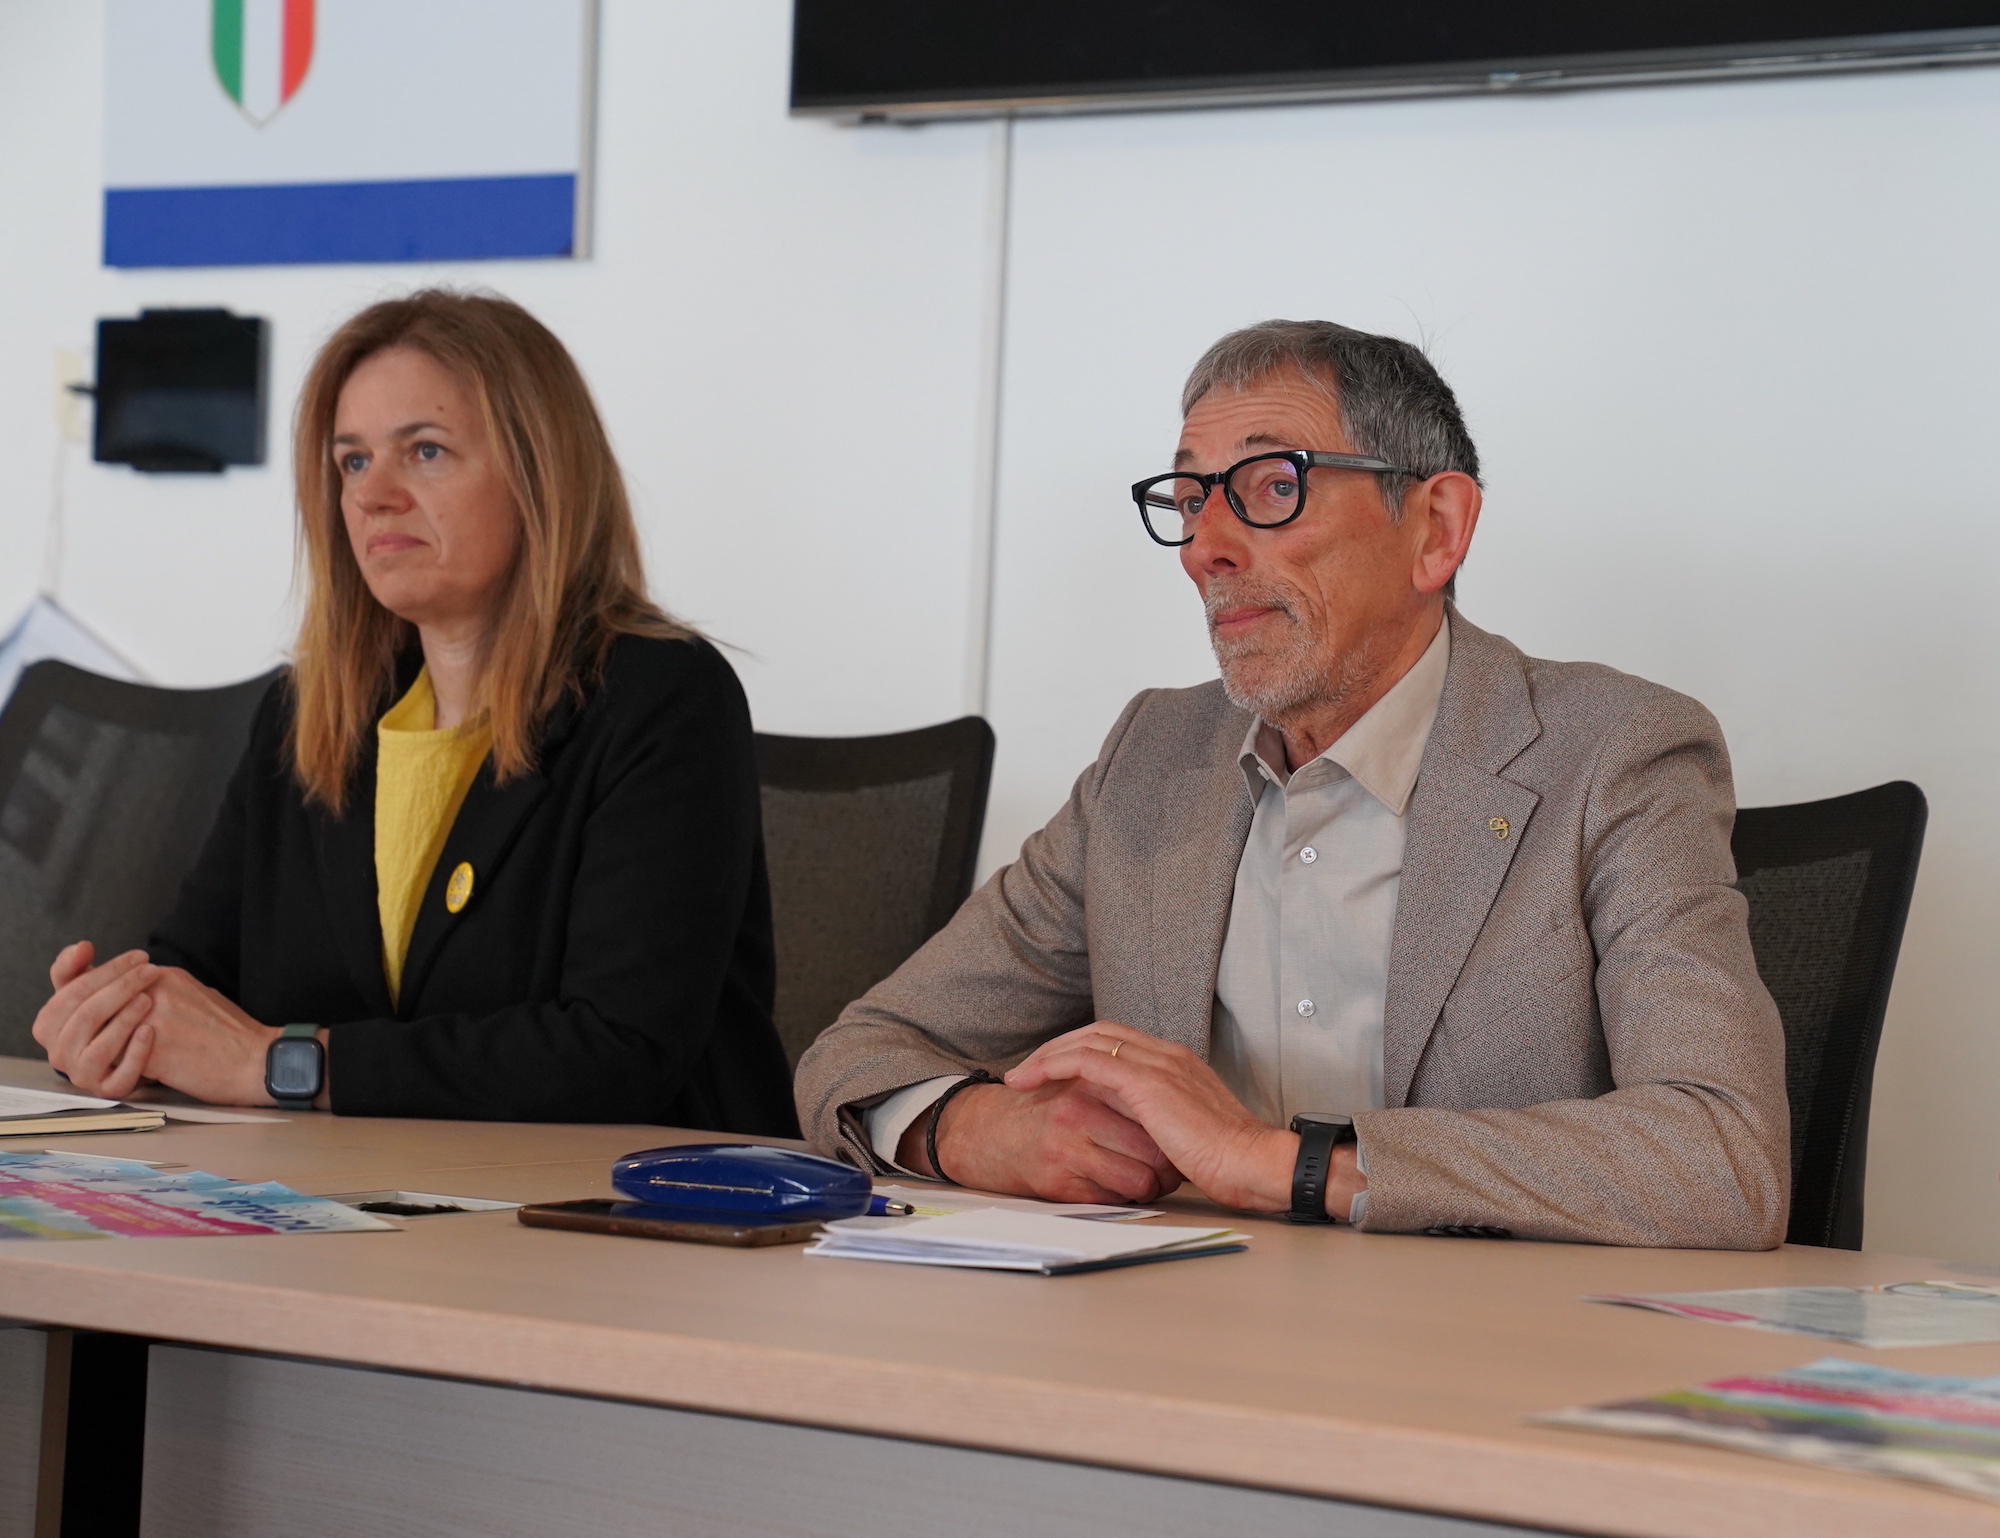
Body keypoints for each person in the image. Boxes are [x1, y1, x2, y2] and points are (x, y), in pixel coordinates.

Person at [796, 319, 1788, 1247]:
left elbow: (1724, 1155)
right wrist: (972, 1129)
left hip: (1478, 1342)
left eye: (1271, 487)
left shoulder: (1614, 754)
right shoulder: (1151, 759)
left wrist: (1281, 1163)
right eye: (1191, 500)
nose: (1204, 549)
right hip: (1178, 1329)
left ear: (1436, 527)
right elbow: (864, 1046)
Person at [32, 291, 797, 1133]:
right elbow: (194, 981)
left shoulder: (662, 696)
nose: (373, 495)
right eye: (353, 461)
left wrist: (277, 1064)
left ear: (541, 474)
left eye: (425, 451)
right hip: (353, 1190)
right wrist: (117, 1027)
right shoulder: (305, 715)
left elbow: (618, 1051)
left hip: (618, 1198)